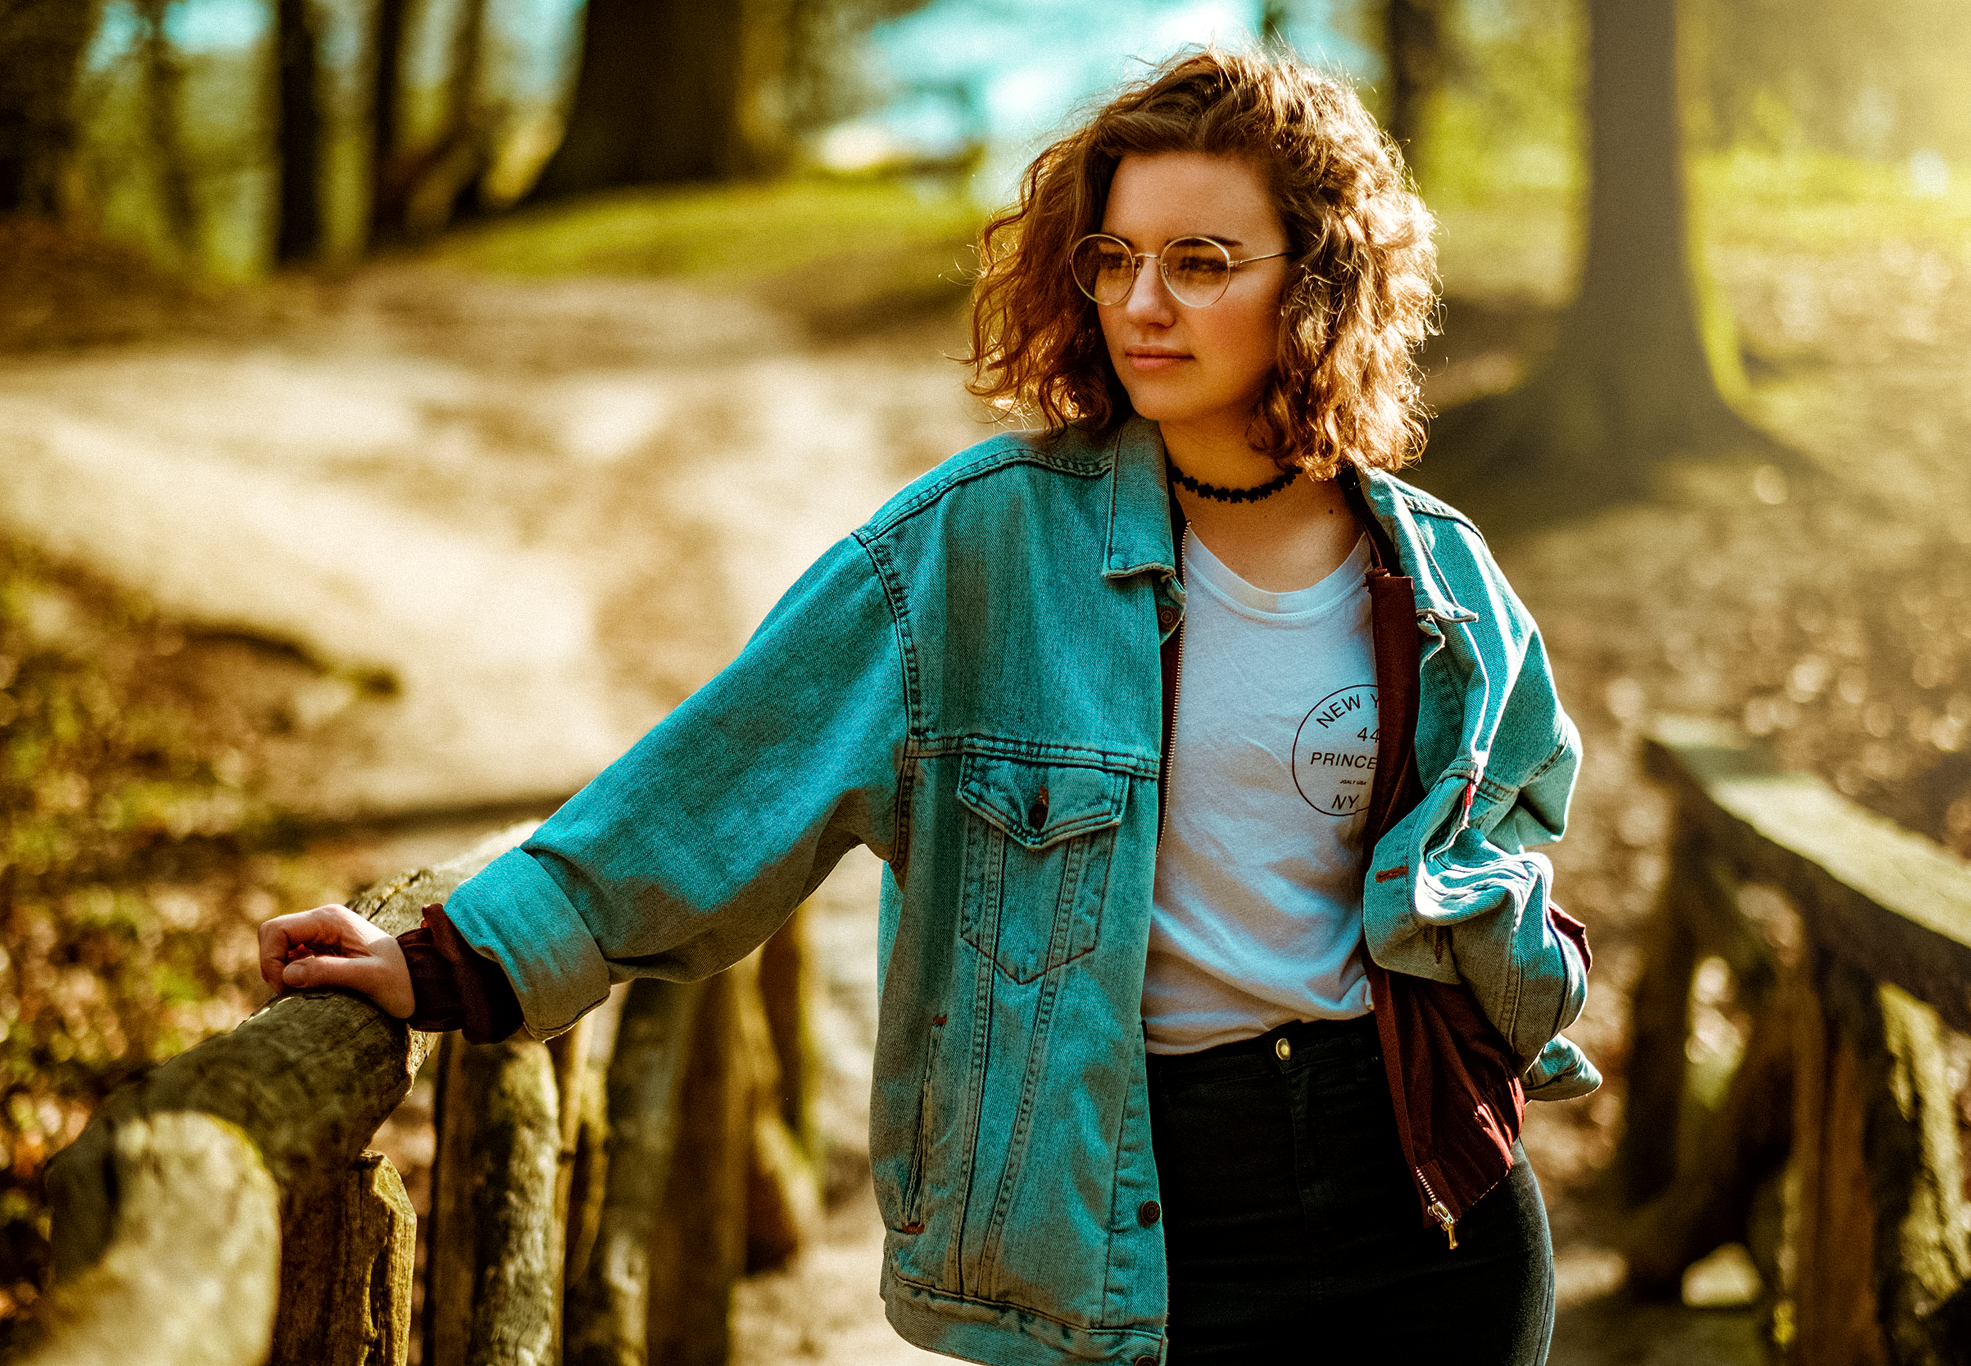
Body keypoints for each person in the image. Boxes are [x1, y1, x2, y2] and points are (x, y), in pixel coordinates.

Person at [259, 46, 1598, 1366]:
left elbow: (1514, 800)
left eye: (1202, 262)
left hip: (1434, 1217)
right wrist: (455, 957)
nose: (1145, 302)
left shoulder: (1434, 575)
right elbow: (723, 783)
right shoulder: (975, 553)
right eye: (1116, 257)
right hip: (1143, 1240)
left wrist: (1496, 956)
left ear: (1316, 286)